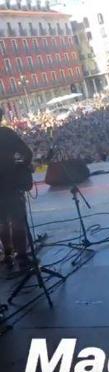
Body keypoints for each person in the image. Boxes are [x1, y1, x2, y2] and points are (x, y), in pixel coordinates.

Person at [0, 108, 33, 269]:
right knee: (17, 221)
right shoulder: (7, 133)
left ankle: (7, 254)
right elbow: (27, 154)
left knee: (2, 222)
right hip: (11, 184)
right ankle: (22, 256)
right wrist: (22, 166)